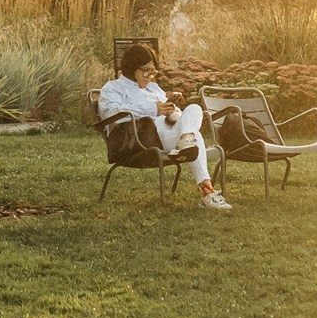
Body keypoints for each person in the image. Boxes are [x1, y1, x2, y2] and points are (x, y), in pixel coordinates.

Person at [98, 42, 229, 210]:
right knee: (195, 136)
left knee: (194, 109)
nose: (149, 76)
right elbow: (111, 113)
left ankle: (186, 141)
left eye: (152, 71)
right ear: (131, 68)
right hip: (139, 141)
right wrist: (153, 109)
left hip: (167, 134)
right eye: (146, 70)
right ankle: (207, 192)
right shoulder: (114, 88)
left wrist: (171, 109)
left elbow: (172, 115)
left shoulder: (153, 88)